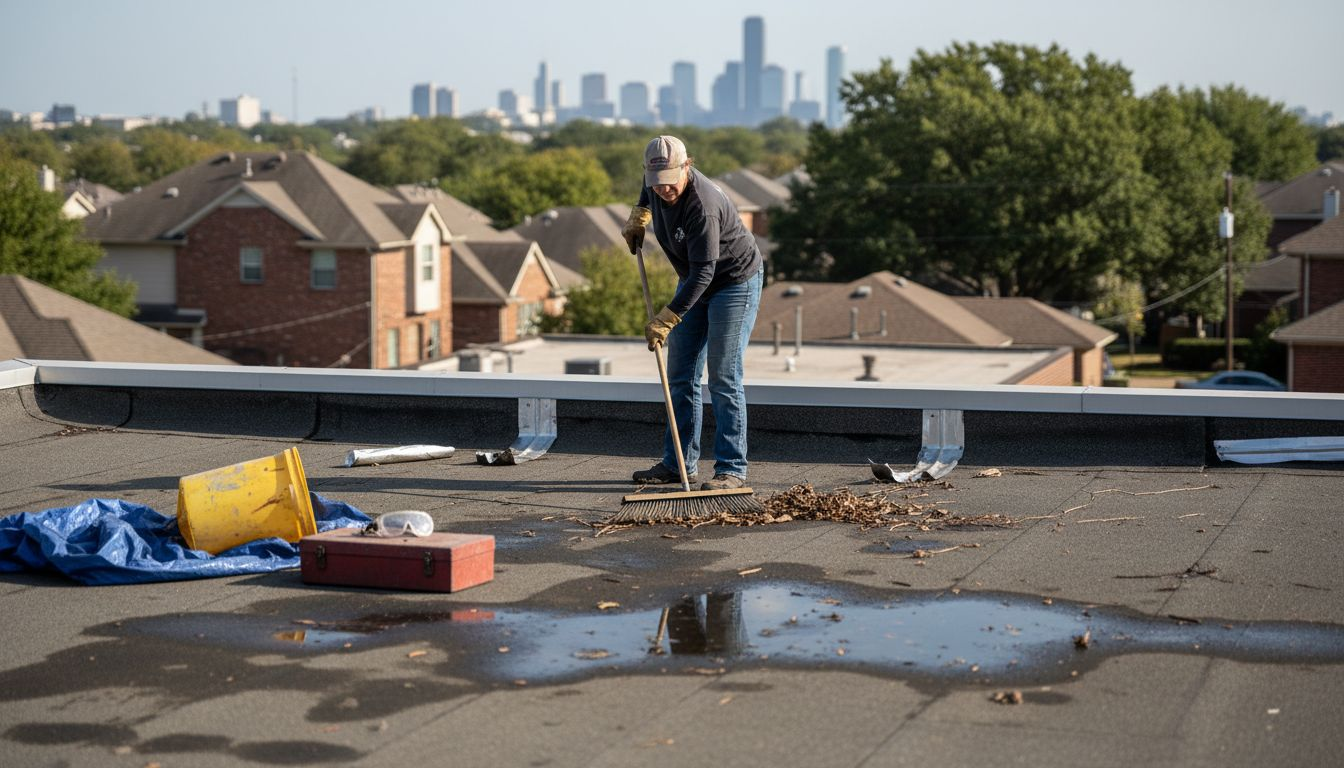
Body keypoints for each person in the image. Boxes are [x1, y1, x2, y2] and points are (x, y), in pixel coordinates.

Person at [622, 135, 763, 491]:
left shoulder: (704, 205)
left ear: (687, 167)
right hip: (693, 280)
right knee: (681, 375)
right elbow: (648, 186)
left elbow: (705, 273)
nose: (664, 190)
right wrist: (640, 213)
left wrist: (668, 318)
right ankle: (678, 464)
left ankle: (731, 469)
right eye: (657, 183)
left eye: (671, 182)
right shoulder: (656, 178)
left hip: (732, 282)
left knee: (723, 376)